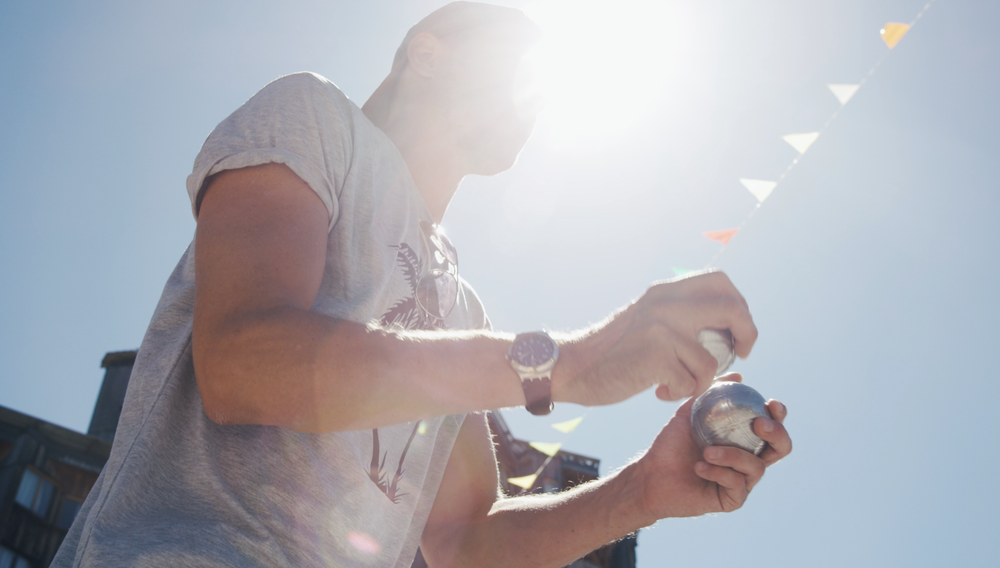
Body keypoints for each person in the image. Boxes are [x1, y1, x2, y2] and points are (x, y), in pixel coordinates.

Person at [53, 2, 792, 567]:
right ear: (428, 53)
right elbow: (242, 364)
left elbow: (464, 540)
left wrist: (643, 491)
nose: (533, 97)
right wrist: (570, 364)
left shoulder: (461, 307)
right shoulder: (312, 116)